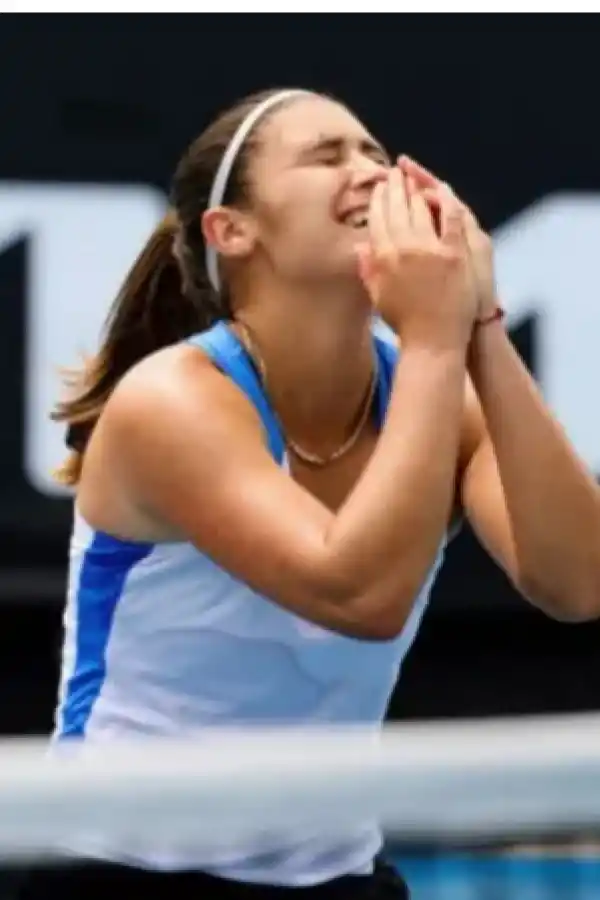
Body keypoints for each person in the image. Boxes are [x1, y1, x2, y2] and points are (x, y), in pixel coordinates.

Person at [17, 87, 600, 900]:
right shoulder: (172, 401)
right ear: (233, 230)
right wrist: (436, 341)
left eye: (371, 152)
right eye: (326, 157)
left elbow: (578, 582)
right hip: (123, 869)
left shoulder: (435, 394)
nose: (367, 171)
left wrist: (481, 326)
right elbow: (358, 594)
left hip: (338, 876)